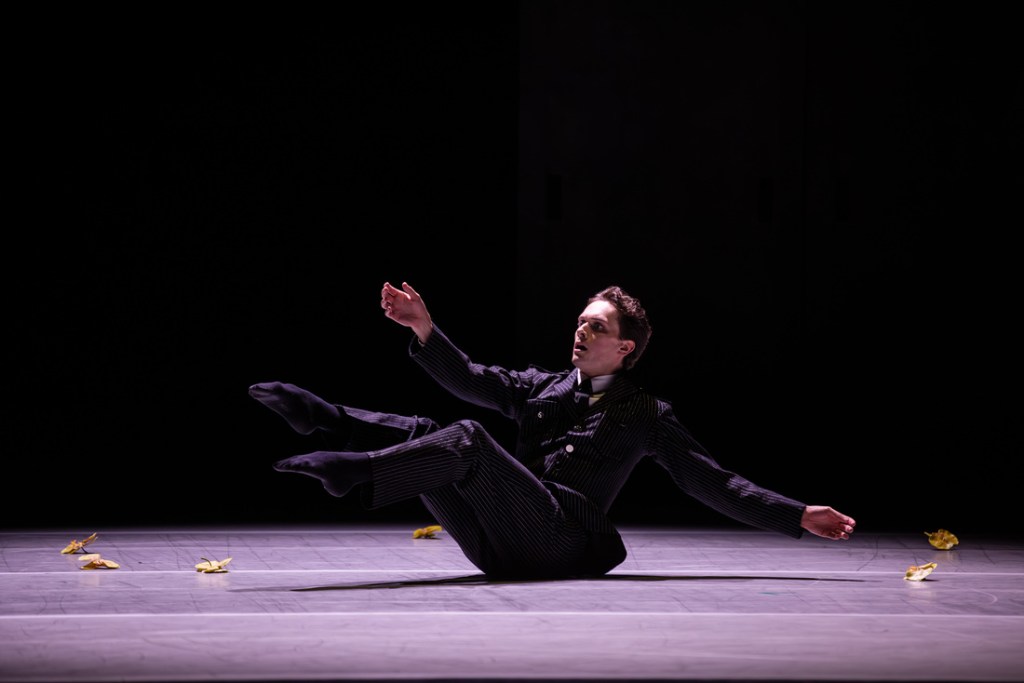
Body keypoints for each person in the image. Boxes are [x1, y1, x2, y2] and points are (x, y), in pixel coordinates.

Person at [250, 281, 855, 579]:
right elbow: (468, 376)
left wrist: (796, 513)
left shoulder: (648, 415)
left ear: (623, 348)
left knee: (464, 439)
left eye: (595, 327)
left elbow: (712, 483)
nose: (581, 332)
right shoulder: (542, 387)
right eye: (579, 322)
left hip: (558, 541)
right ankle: (330, 420)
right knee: (425, 429)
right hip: (496, 544)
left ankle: (356, 473)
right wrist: (423, 327)